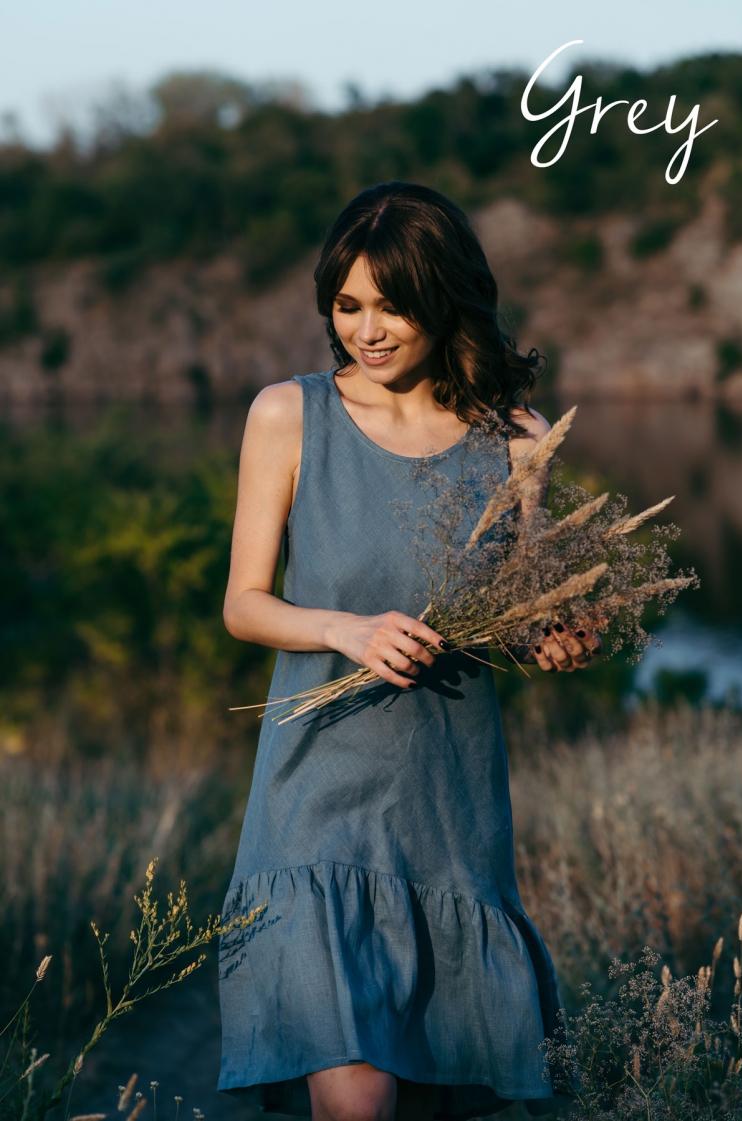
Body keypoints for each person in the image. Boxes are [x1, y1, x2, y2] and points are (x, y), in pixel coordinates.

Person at [218, 181, 601, 1121]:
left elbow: (527, 609)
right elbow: (243, 603)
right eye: (348, 305)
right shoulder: (286, 414)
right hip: (313, 803)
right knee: (355, 1097)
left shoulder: (513, 439)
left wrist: (559, 638)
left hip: (446, 810)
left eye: (392, 304)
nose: (368, 329)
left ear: (445, 297)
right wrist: (341, 628)